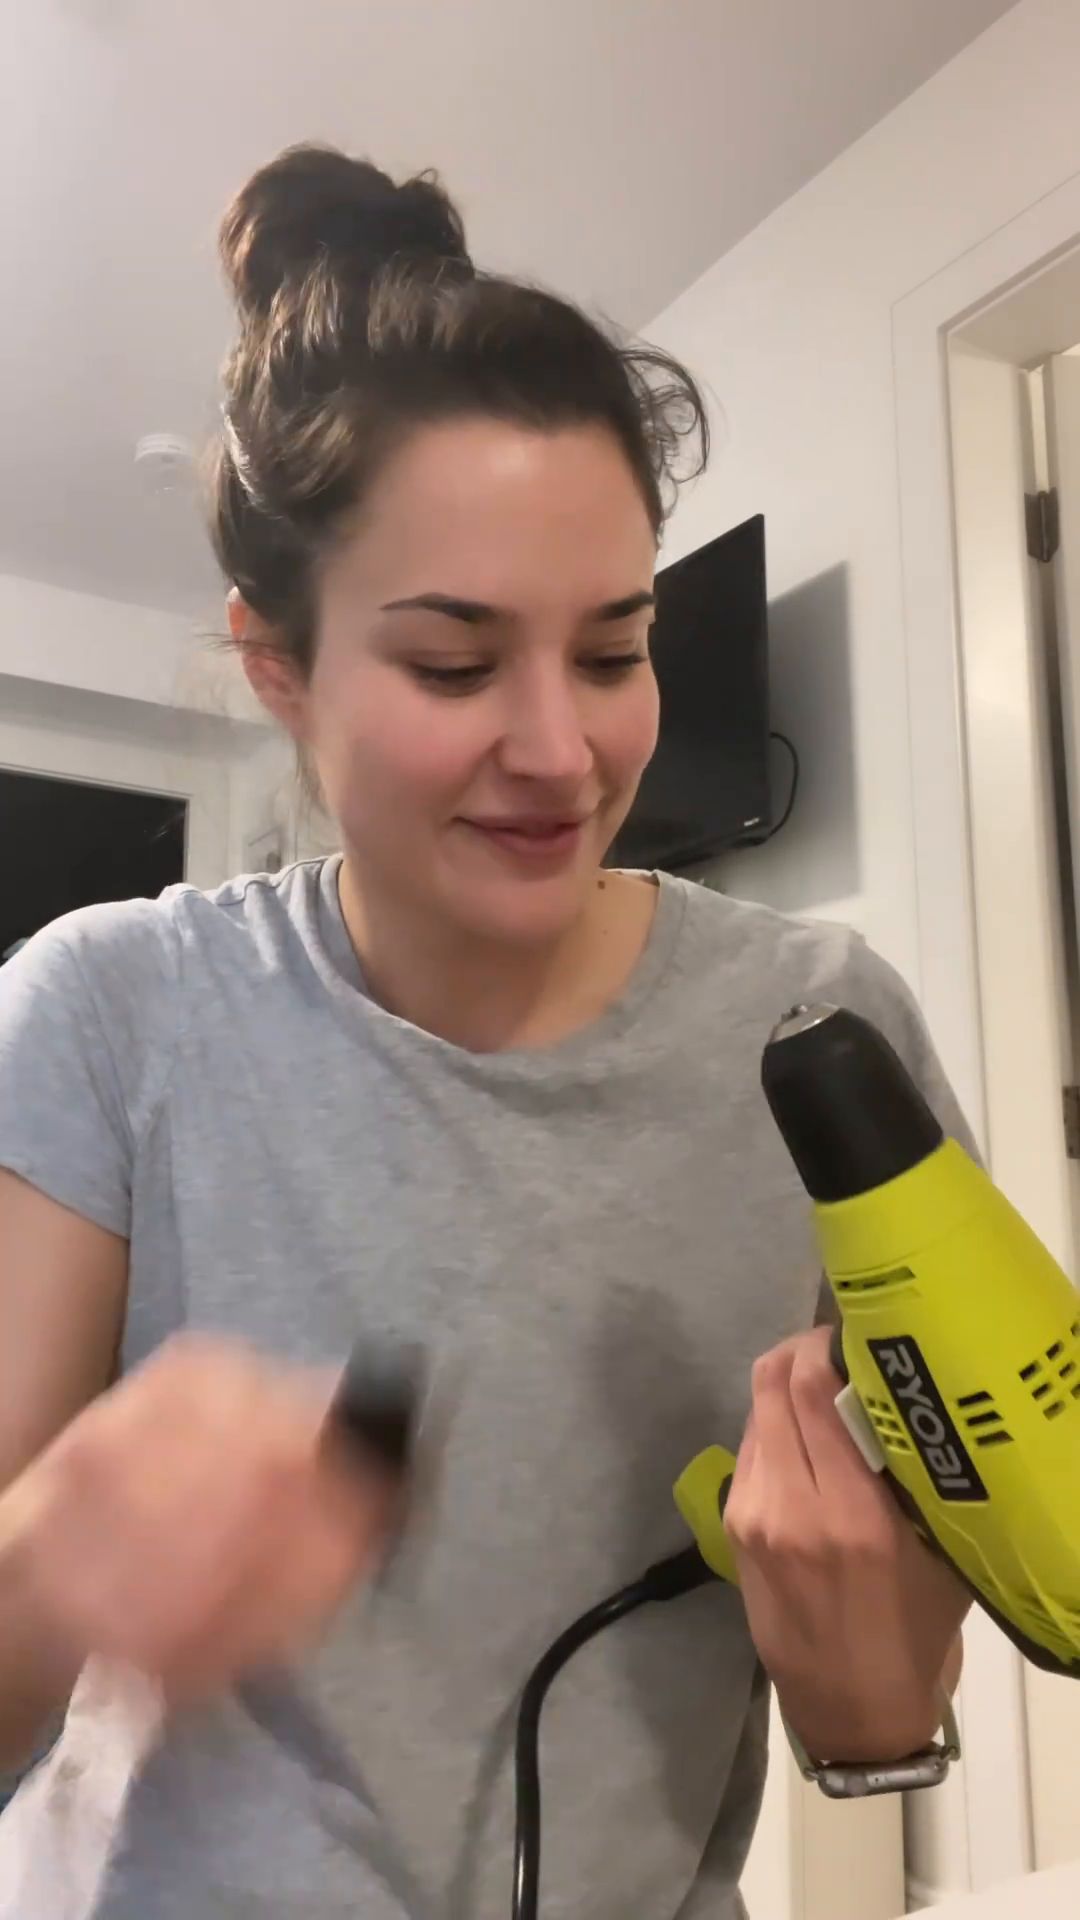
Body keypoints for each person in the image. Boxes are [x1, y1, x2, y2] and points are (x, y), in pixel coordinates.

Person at [0, 145, 970, 1920]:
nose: (560, 750)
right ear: (278, 667)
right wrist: (52, 1571)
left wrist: (869, 1702)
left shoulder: (821, 1036)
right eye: (454, 664)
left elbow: (901, 1688)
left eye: (613, 652)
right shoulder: (108, 1018)